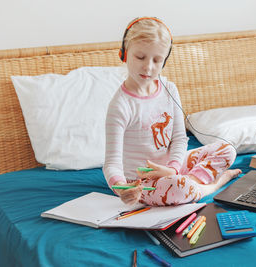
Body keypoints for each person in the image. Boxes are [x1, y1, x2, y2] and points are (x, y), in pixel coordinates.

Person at [103, 17, 241, 206]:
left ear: (165, 61)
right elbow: (111, 164)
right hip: (142, 182)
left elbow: (179, 138)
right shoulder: (120, 105)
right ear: (124, 54)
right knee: (178, 187)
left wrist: (173, 169)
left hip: (172, 170)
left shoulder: (170, 89)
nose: (148, 67)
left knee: (228, 149)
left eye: (157, 60)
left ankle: (189, 185)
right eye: (140, 57)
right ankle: (213, 185)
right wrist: (121, 188)